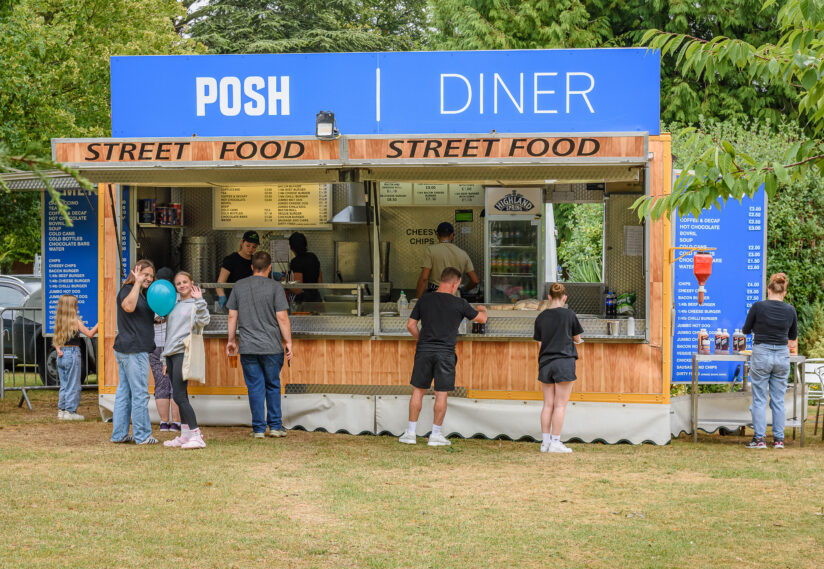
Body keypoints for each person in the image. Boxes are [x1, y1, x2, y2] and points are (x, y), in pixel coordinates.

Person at [399, 267, 487, 447]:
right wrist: (482, 308)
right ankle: (435, 435)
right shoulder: (459, 303)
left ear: (441, 280)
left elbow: (410, 325)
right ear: (455, 283)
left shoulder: (424, 299)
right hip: (445, 353)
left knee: (418, 390)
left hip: (424, 350)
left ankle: (410, 433)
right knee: (441, 393)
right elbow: (481, 319)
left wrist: (421, 339)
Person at [226, 251, 294, 438]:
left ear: (251, 267)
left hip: (248, 347)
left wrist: (231, 340)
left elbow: (232, 316)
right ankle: (275, 427)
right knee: (273, 385)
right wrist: (288, 342)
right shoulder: (275, 287)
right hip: (272, 346)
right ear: (270, 268)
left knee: (255, 386)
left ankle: (258, 429)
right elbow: (282, 318)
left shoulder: (239, 286)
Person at [742, 272, 798, 449]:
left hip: (761, 353)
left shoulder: (758, 307)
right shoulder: (790, 310)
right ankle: (779, 440)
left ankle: (759, 440)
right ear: (784, 292)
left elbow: (746, 330)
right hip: (782, 354)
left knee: (759, 399)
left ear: (768, 289)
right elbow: (792, 336)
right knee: (778, 400)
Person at [161, 272, 211, 449]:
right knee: (178, 395)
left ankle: (197, 436)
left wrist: (200, 301)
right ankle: (185, 435)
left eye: (184, 282)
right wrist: (164, 358)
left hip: (183, 352)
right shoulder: (173, 306)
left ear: (191, 283)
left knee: (180, 395)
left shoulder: (195, 303)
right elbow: (169, 334)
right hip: (172, 354)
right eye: (178, 283)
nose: (181, 285)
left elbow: (204, 321)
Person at [111, 259, 158, 445]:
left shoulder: (141, 294)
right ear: (135, 272)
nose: (149, 279)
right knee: (140, 393)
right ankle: (143, 435)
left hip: (128, 348)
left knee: (125, 393)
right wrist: (137, 282)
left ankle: (119, 434)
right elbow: (128, 307)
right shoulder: (128, 290)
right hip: (133, 349)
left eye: (151, 276)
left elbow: (137, 318)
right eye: (145, 274)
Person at [533, 283, 584, 453]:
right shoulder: (569, 315)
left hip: (546, 363)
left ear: (548, 297)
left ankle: (545, 442)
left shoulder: (540, 317)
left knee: (548, 404)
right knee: (560, 405)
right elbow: (577, 338)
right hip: (564, 362)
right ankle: (556, 442)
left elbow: (540, 345)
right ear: (565, 297)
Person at [53, 294, 98, 421]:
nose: (78, 307)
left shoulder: (60, 321)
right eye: (76, 305)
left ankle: (61, 410)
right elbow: (89, 334)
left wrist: (58, 350)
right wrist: (100, 323)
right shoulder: (75, 320)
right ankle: (70, 411)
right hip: (73, 353)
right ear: (71, 307)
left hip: (61, 354)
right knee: (74, 384)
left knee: (64, 384)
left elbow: (56, 340)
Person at [149, 267, 180, 432]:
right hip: (174, 345)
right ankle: (176, 423)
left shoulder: (150, 296)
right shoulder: (178, 298)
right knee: (176, 385)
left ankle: (163, 422)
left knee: (161, 384)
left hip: (154, 345)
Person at [415, 222, 479, 299]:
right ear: (452, 235)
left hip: (436, 296)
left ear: (437, 235)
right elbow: (475, 280)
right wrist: (462, 290)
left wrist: (417, 300)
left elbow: (424, 278)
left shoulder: (431, 250)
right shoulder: (463, 253)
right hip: (455, 296)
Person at [216, 230, 260, 308]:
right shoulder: (231, 259)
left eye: (254, 247)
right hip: (234, 302)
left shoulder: (255, 260)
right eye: (248, 245)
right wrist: (222, 296)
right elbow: (220, 283)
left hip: (252, 302)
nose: (251, 249)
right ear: (242, 243)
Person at [288, 231, 322, 303]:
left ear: (292, 248)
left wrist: (284, 285)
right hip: (317, 300)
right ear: (305, 244)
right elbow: (320, 282)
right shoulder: (313, 257)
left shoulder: (296, 262)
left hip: (303, 303)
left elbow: (298, 289)